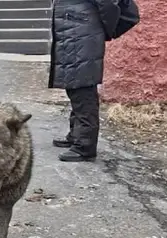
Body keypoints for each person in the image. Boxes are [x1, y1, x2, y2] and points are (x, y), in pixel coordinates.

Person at [48, 0, 120, 162]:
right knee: (74, 86)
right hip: (75, 28)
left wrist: (105, 28)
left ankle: (85, 146)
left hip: (81, 28)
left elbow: (108, 4)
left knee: (83, 87)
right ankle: (76, 136)